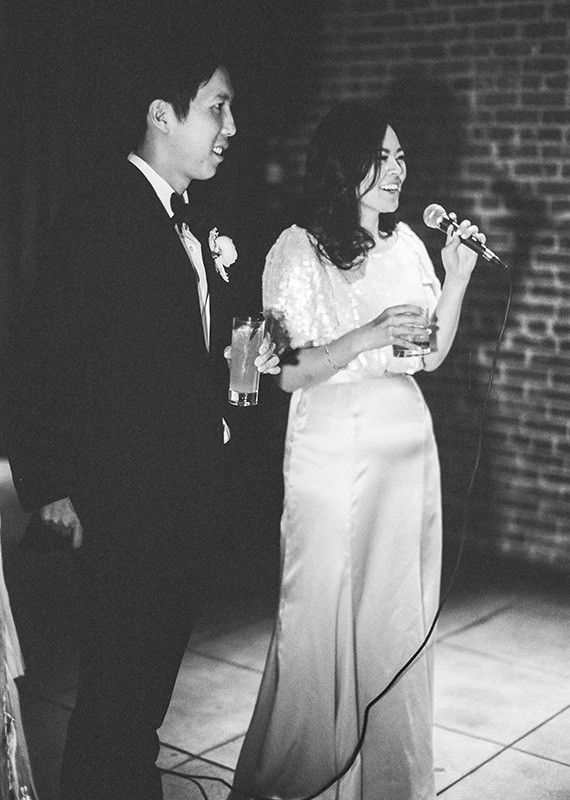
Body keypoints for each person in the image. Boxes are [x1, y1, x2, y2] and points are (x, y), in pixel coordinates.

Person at [6, 43, 279, 800]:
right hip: (126, 498)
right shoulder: (101, 214)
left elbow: (188, 350)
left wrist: (245, 365)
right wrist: (53, 485)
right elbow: (42, 357)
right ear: (162, 114)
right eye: (217, 108)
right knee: (115, 697)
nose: (231, 127)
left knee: (142, 696)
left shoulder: (198, 220)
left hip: (186, 493)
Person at [231, 102, 485, 800]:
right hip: (332, 447)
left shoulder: (408, 247)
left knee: (397, 619)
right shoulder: (297, 247)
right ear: (346, 165)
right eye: (383, 157)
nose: (398, 170)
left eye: (401, 157)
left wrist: (457, 278)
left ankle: (390, 782)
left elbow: (429, 356)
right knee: (321, 612)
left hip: (407, 445)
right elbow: (285, 372)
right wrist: (369, 335)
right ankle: (305, 776)